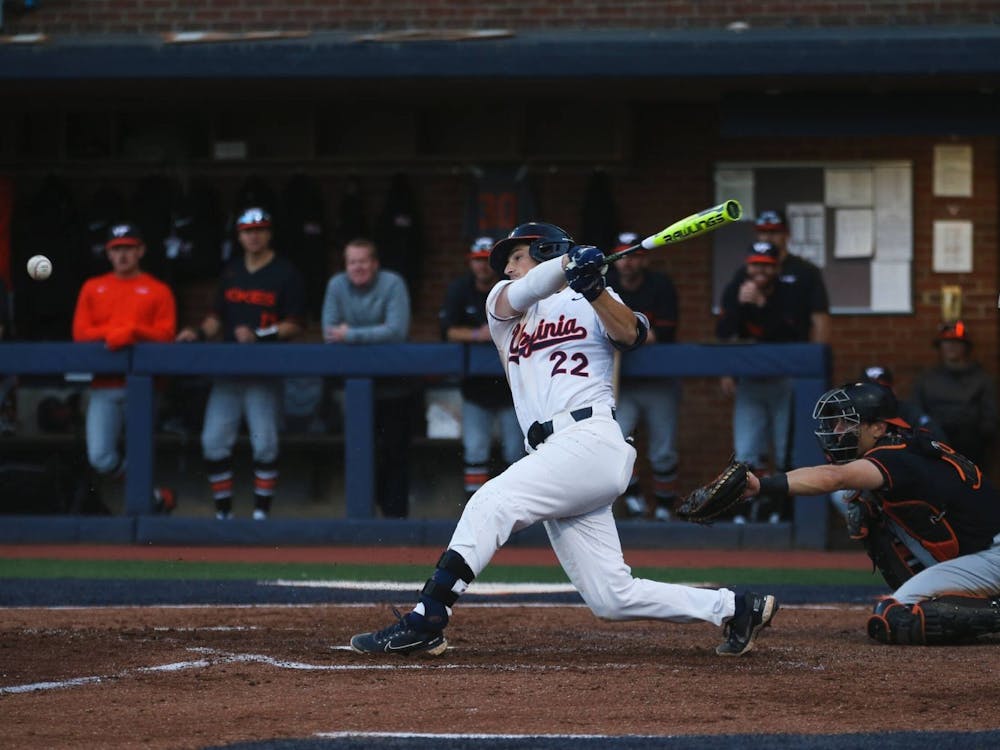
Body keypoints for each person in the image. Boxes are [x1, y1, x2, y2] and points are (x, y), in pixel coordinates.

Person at [349, 221, 778, 658]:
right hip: (555, 454)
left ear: (547, 248)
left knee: (492, 500)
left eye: (516, 257)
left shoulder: (593, 300)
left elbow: (631, 334)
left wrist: (593, 287)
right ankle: (734, 607)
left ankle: (428, 616)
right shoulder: (503, 310)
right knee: (611, 597)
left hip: (591, 439)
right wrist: (569, 263)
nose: (507, 268)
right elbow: (528, 287)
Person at [740, 380, 1000, 645]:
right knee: (863, 508)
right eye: (836, 423)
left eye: (847, 422)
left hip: (993, 555)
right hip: (981, 554)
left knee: (896, 616)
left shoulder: (896, 456)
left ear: (878, 427)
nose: (837, 431)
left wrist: (761, 485)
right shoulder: (903, 448)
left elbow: (834, 478)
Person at [176, 207, 306, 520]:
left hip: (265, 371)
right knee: (213, 442)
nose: (254, 235)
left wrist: (261, 335)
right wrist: (196, 332)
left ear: (269, 233)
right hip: (229, 372)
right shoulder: (232, 270)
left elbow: (297, 323)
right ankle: (224, 515)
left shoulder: (285, 271)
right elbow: (215, 318)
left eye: (260, 229)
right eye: (248, 231)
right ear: (240, 235)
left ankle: (261, 515)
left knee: (265, 444)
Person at [71, 222, 177, 513]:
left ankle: (147, 508)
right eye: (116, 249)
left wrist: (133, 330)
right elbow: (81, 333)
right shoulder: (93, 287)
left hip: (144, 387)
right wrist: (117, 331)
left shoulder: (158, 290)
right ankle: (154, 494)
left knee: (140, 452)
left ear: (141, 251)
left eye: (128, 248)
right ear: (108, 253)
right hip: (104, 385)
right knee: (100, 455)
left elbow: (166, 335)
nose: (122, 255)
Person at [716, 241, 810, 523]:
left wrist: (763, 305)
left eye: (767, 265)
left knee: (785, 450)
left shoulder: (790, 291)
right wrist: (740, 308)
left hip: (784, 380)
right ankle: (745, 508)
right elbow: (723, 332)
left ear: (776, 268)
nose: (761, 270)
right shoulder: (736, 288)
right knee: (746, 449)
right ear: (748, 266)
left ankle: (781, 509)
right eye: (756, 264)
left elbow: (795, 334)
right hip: (750, 380)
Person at [321, 237, 413, 518]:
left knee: (395, 454)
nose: (357, 267)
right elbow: (329, 332)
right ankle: (363, 522)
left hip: (394, 386)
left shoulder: (392, 283)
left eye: (363, 261)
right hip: (352, 387)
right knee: (361, 453)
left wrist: (351, 335)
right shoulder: (337, 285)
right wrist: (375, 333)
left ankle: (396, 523)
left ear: (374, 263)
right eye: (352, 262)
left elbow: (397, 331)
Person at [440, 236, 525, 499]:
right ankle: (474, 506)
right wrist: (479, 334)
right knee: (476, 450)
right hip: (475, 388)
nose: (481, 267)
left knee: (516, 453)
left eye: (485, 261)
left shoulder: (513, 288)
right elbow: (448, 331)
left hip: (512, 388)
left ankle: (514, 507)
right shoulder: (460, 289)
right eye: (476, 261)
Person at [605, 232, 681, 521]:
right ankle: (636, 501)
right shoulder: (606, 288)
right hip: (619, 382)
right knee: (618, 443)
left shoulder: (659, 285)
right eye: (622, 256)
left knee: (663, 451)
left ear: (643, 259)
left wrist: (624, 332)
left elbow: (660, 334)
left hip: (658, 380)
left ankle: (664, 506)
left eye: (633, 256)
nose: (627, 263)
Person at [911, 321, 997, 468]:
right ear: (940, 346)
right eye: (946, 342)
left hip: (971, 448)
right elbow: (915, 412)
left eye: (956, 342)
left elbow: (991, 417)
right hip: (935, 445)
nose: (951, 346)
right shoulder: (926, 379)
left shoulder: (982, 380)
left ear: (966, 347)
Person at [752, 209, 831, 345]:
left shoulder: (806, 271)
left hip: (795, 351)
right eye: (763, 232)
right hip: (756, 352)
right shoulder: (748, 272)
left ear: (786, 234)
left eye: (774, 232)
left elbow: (820, 319)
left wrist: (817, 356)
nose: (768, 238)